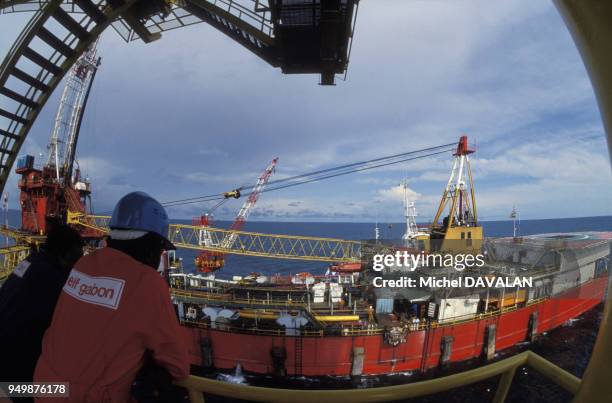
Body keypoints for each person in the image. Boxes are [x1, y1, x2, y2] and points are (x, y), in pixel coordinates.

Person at [34, 192, 190, 402]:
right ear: (151, 243)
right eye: (161, 248)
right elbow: (179, 366)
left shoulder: (83, 265)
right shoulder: (147, 281)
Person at [0, 223, 84, 393]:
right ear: (65, 255)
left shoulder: (30, 262)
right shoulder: (54, 280)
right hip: (17, 380)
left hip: (5, 356)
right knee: (68, 391)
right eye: (76, 259)